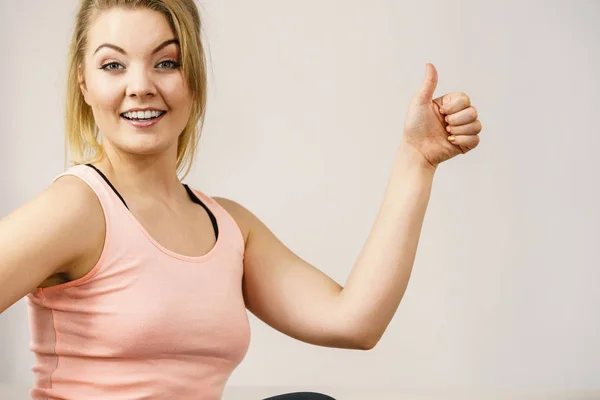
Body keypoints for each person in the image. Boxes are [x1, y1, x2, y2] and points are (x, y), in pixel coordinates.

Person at [0, 0, 482, 399]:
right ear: (84, 84)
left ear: (193, 80)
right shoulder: (77, 208)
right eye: (113, 65)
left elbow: (354, 322)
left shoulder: (228, 225)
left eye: (166, 61)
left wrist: (417, 160)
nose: (141, 85)